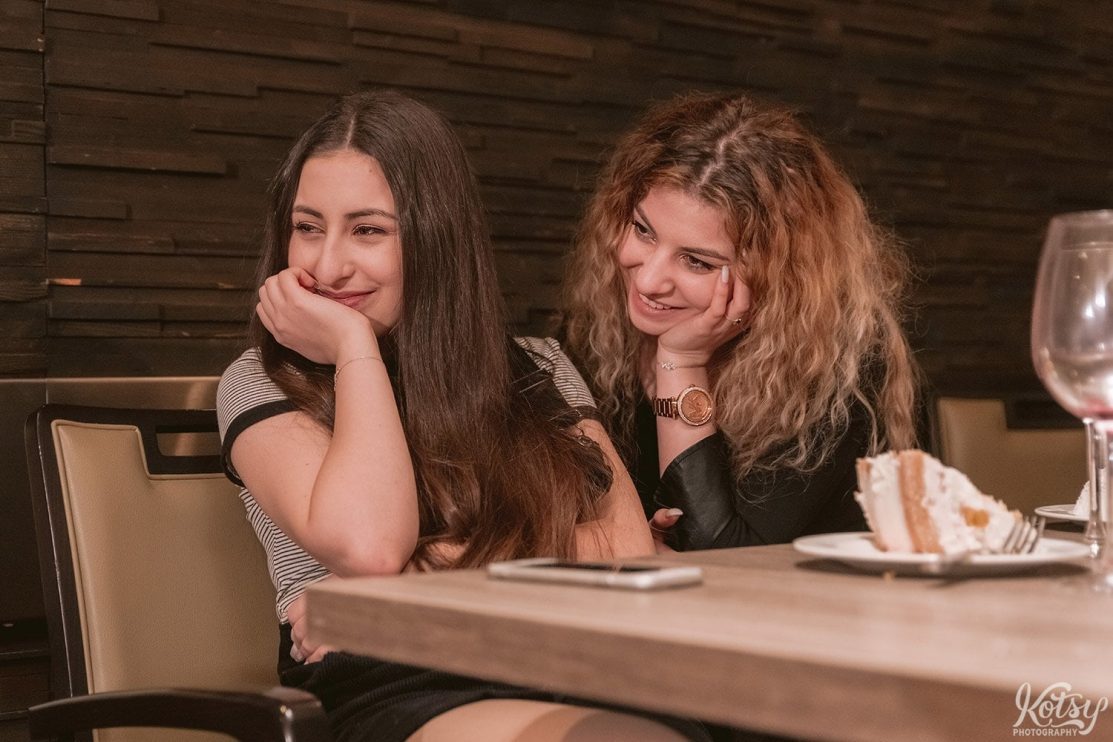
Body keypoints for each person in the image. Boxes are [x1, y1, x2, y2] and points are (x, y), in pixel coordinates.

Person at [216, 89, 710, 742]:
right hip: (394, 676)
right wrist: (352, 347)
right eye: (307, 228)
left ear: (434, 238)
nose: (327, 264)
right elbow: (369, 551)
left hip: (557, 652)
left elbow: (626, 545)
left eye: (367, 230)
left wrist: (427, 568)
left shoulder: (535, 364)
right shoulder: (259, 381)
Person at [559, 90, 920, 551]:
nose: (648, 281)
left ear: (777, 276)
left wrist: (680, 361)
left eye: (696, 262)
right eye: (643, 230)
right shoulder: (597, 332)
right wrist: (629, 539)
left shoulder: (836, 368)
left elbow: (729, 559)